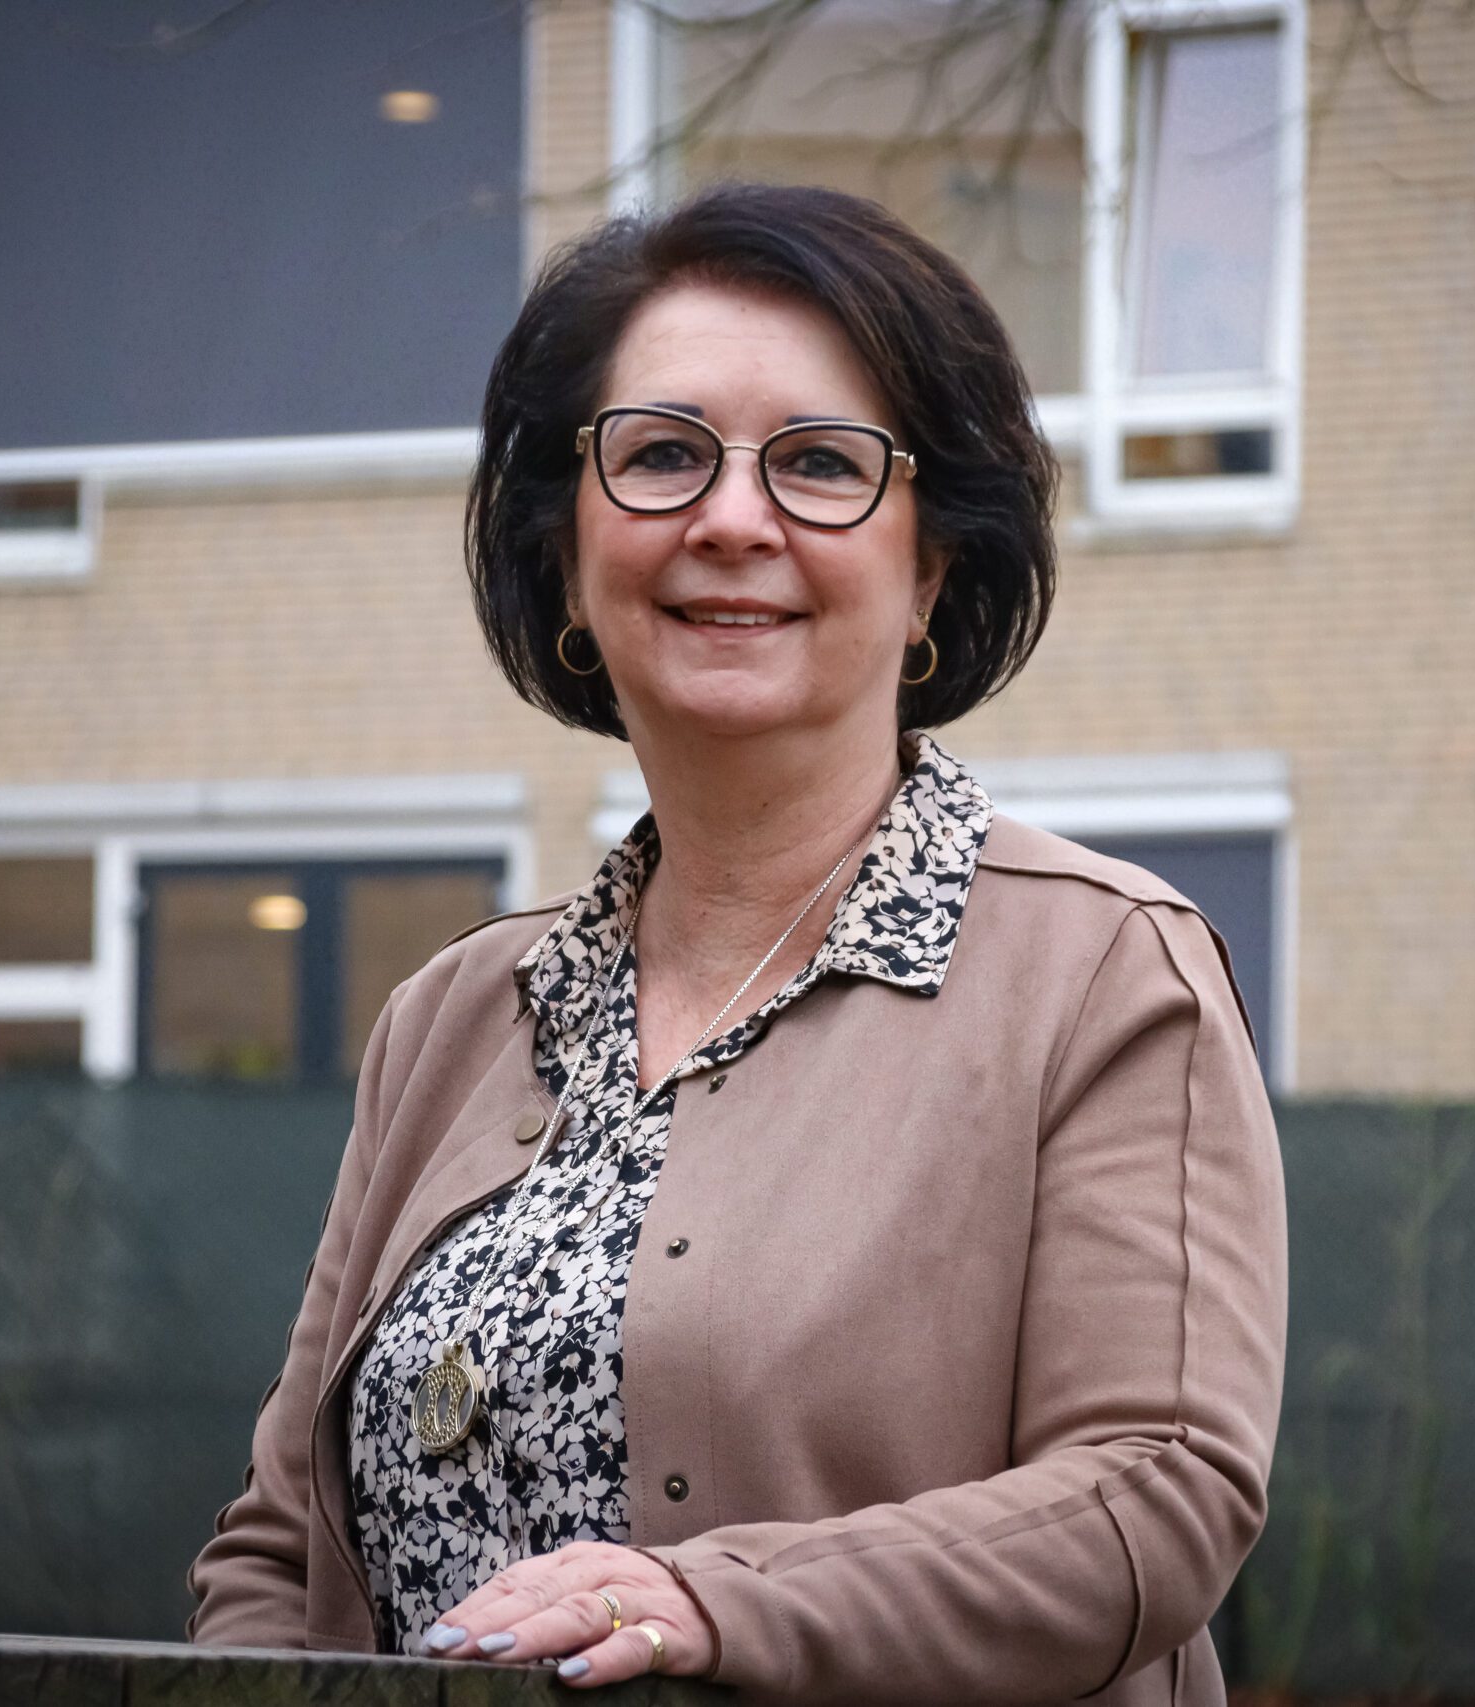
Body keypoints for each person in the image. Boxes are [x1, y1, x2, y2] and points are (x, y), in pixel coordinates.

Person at [186, 182, 1287, 1705]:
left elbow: (1154, 1489)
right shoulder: (452, 1018)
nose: (730, 519)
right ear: (567, 558)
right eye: (661, 454)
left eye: (822, 463)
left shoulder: (1105, 976)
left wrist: (715, 1603)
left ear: (932, 572)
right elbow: (278, 1548)